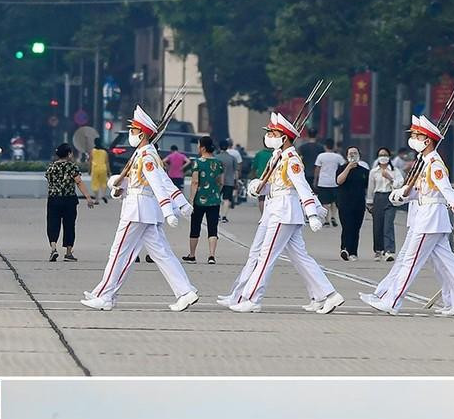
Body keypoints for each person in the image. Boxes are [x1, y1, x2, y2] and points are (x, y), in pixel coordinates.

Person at [220, 111, 340, 314]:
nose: (269, 137)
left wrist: (312, 213)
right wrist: (257, 186)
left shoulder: (291, 159)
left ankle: (252, 298)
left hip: (284, 212)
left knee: (266, 256)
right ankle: (327, 295)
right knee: (300, 257)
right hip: (276, 208)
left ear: (284, 138)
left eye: (273, 134)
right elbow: (275, 185)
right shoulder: (278, 156)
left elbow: (301, 186)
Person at [81, 105, 198, 311]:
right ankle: (185, 291)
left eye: (133, 130)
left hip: (138, 210)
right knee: (161, 253)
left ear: (142, 133)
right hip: (141, 208)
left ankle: (104, 295)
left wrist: (169, 209)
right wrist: (119, 187)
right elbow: (146, 181)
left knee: (118, 252)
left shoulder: (146, 156)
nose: (130, 134)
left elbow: (157, 183)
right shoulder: (143, 153)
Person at [361, 116, 454, 316]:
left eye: (417, 135)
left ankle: (392, 301)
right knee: (449, 264)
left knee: (410, 261)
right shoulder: (425, 162)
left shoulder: (434, 164)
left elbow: (446, 191)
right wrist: (402, 195)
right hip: (428, 218)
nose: (413, 138)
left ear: (427, 141)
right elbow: (424, 191)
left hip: (430, 219)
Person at [184, 137, 225, 265]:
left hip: (199, 201)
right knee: (213, 228)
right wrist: (215, 192)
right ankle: (211, 255)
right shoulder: (218, 163)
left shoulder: (197, 163)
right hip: (214, 200)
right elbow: (221, 182)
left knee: (195, 227)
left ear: (202, 147)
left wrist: (191, 199)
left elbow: (195, 182)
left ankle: (192, 255)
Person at [46, 143, 83, 262]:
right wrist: (88, 197)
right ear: (68, 154)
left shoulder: (51, 167)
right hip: (69, 200)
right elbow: (78, 182)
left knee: (53, 224)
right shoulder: (72, 167)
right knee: (69, 226)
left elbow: (49, 180)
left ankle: (53, 248)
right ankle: (68, 252)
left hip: (54, 199)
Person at [334, 149, 369, 259]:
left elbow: (368, 186)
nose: (353, 155)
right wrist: (348, 167)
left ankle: (353, 252)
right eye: (350, 153)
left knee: (355, 228)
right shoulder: (341, 168)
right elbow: (339, 181)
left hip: (359, 203)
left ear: (359, 155)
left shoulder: (364, 171)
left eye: (355, 153)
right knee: (347, 226)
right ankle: (344, 249)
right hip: (345, 203)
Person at [369, 149, 399, 259]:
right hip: (378, 198)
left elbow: (399, 184)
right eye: (381, 155)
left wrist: (390, 178)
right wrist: (369, 201)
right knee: (378, 225)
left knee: (388, 225)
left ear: (389, 157)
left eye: (385, 155)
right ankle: (378, 250)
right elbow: (371, 187)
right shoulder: (374, 172)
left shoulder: (395, 170)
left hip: (390, 197)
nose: (383, 157)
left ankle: (389, 250)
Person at [88, 136, 110, 206]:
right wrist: (108, 171)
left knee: (95, 184)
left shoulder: (92, 151)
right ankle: (103, 195)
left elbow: (90, 161)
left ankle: (97, 199)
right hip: (103, 168)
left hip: (95, 169)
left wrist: (89, 170)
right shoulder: (104, 152)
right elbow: (107, 162)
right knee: (103, 183)